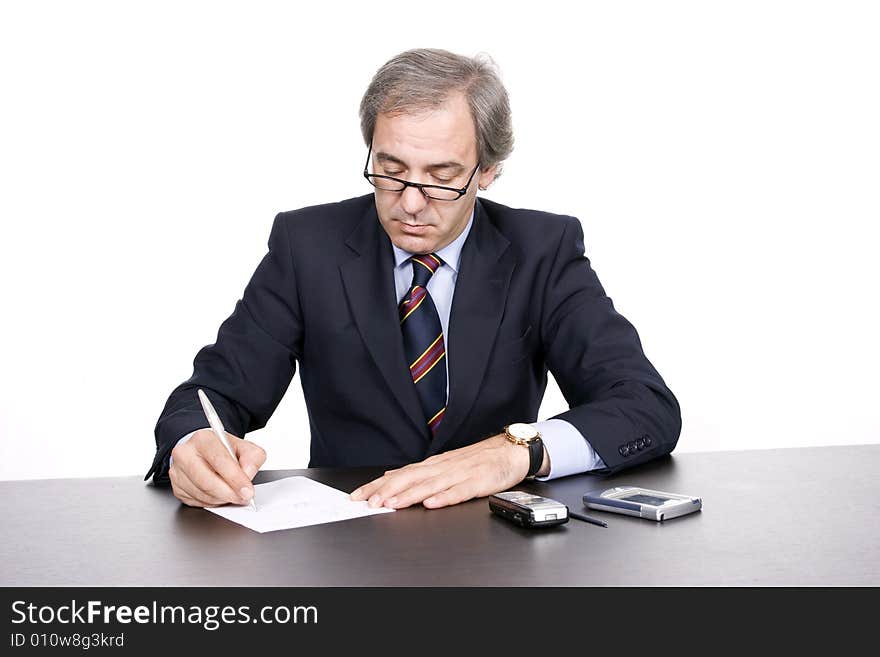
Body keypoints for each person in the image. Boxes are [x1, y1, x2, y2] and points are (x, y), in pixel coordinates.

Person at [146, 48, 681, 511]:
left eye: (442, 177)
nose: (409, 203)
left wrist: (520, 451)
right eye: (390, 169)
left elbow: (644, 405)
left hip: (499, 547)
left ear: (487, 171)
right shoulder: (305, 245)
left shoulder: (544, 250)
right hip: (348, 544)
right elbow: (212, 395)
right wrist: (192, 444)